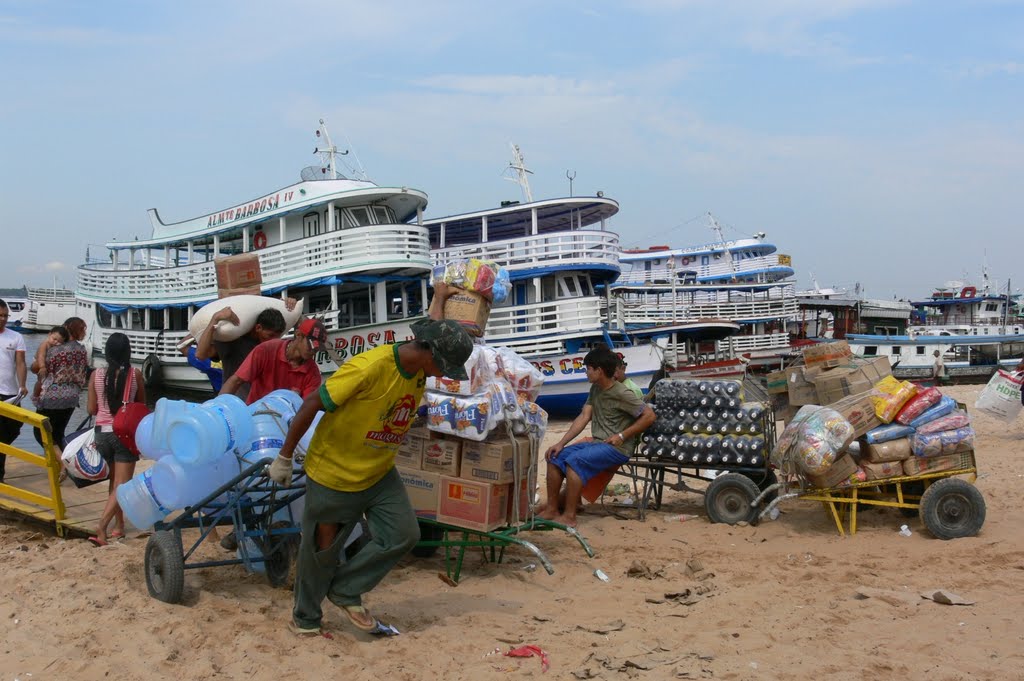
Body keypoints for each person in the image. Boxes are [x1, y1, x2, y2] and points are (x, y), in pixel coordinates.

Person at [270, 282, 472, 637]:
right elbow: (313, 403)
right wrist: (284, 457)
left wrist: (439, 297)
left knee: (403, 533)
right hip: (334, 472)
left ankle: (346, 589)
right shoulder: (369, 368)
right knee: (321, 551)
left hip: (379, 473)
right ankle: (305, 618)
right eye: (445, 366)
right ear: (430, 355)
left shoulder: (422, 364)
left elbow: (432, 326)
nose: (444, 375)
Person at [538, 346, 656, 527]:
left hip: (618, 448)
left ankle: (570, 516)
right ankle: (552, 509)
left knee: (574, 462)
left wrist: (622, 435)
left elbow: (649, 416)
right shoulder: (595, 389)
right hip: (598, 443)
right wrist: (561, 443)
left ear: (599, 371)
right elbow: (584, 417)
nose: (586, 373)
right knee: (554, 456)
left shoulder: (622, 393)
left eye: (588, 369)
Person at [87, 333, 146, 546]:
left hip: (101, 433)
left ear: (107, 351)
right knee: (122, 485)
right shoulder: (135, 375)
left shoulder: (96, 374)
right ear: (128, 352)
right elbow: (141, 407)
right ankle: (102, 527)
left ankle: (118, 527)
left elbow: (91, 409)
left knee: (114, 483)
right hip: (123, 435)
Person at [194, 303, 293, 399]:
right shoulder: (233, 341)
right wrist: (215, 318)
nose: (273, 341)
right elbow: (200, 354)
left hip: (263, 402)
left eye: (277, 337)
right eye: (270, 335)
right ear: (258, 328)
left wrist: (291, 306)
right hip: (236, 401)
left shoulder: (275, 347)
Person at [218, 317, 325, 405]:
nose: (313, 351)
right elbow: (236, 380)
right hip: (255, 416)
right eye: (311, 346)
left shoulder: (313, 374)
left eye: (317, 348)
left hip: (286, 423)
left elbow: (304, 408)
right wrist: (218, 407)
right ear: (298, 335)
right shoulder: (266, 350)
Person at [32, 317, 89, 452]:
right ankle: (67, 465)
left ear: (66, 328)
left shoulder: (55, 350)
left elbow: (35, 368)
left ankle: (63, 464)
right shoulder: (82, 350)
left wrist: (41, 352)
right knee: (58, 433)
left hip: (53, 396)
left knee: (41, 433)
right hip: (72, 397)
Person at [0, 299, 28, 483]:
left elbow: (20, 362)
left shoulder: (15, 337)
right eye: (0, 315)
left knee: (12, 429)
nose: (3, 319)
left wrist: (23, 384)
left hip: (9, 393)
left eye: (5, 316)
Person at [30, 326, 69, 404]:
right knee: (40, 381)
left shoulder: (57, 347)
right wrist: (42, 367)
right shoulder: (45, 344)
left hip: (48, 366)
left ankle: (43, 394)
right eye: (54, 339)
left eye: (59, 342)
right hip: (39, 363)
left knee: (45, 381)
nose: (55, 342)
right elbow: (41, 355)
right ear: (49, 334)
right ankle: (35, 396)